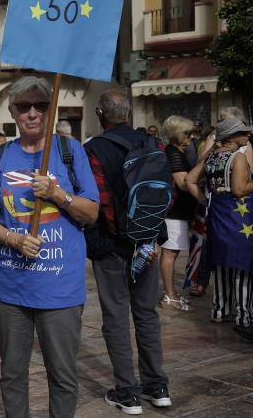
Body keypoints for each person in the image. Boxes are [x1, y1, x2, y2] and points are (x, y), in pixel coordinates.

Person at [0, 76, 99, 418]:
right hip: (10, 286)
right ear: (13, 112)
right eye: (23, 106)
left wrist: (58, 194)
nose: (32, 113)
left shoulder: (70, 151)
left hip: (59, 287)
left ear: (52, 108)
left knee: (62, 375)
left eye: (41, 106)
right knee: (12, 375)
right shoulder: (0, 156)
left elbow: (91, 213)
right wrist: (12, 238)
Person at [84, 90, 172, 414]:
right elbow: (167, 194)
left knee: (116, 317)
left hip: (113, 246)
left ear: (100, 114)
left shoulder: (93, 149)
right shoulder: (153, 144)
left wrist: (105, 241)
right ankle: (158, 386)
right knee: (147, 313)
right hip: (147, 241)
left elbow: (98, 200)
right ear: (130, 113)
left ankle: (128, 392)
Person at [187, 117, 253, 339]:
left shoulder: (212, 156)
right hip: (238, 216)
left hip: (217, 214)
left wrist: (206, 201)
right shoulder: (239, 157)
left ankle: (220, 310)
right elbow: (239, 189)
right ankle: (244, 315)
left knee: (223, 261)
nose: (248, 134)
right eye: (244, 132)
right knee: (243, 265)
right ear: (233, 137)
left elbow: (190, 179)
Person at [159, 116, 197, 312]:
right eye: (187, 133)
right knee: (170, 252)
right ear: (176, 135)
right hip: (174, 212)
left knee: (170, 252)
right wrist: (204, 160)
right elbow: (183, 183)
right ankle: (169, 295)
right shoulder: (173, 153)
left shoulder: (177, 151)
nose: (191, 137)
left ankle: (170, 293)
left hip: (176, 212)